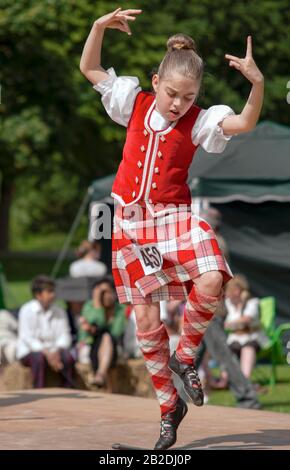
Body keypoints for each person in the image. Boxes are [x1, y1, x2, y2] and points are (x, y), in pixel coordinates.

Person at [80, 7, 264, 449]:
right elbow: (89, 67)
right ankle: (168, 409)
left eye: (189, 95)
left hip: (174, 217)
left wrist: (256, 85)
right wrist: (98, 27)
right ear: (157, 81)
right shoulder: (133, 101)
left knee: (213, 276)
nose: (179, 103)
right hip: (130, 221)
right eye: (173, 94)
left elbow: (243, 122)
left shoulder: (199, 120)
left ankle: (185, 358)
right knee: (145, 317)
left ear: (198, 93)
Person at [17, 275, 75, 388]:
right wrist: (47, 353)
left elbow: (65, 335)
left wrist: (56, 351)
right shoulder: (26, 310)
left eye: (53, 291)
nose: (53, 295)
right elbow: (28, 338)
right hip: (31, 351)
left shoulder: (60, 311)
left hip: (54, 350)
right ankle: (39, 389)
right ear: (38, 295)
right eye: (49, 292)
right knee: (38, 359)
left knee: (68, 358)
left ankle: (68, 387)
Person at [78, 278, 126, 387]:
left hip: (113, 345)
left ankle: (100, 374)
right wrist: (99, 307)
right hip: (91, 345)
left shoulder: (119, 309)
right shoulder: (90, 306)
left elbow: (116, 332)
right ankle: (102, 376)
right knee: (105, 336)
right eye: (101, 293)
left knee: (106, 336)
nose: (105, 296)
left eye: (107, 292)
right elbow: (85, 334)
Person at [224, 274, 268, 380]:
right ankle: (224, 380)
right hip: (234, 337)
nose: (226, 294)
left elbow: (247, 319)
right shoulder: (228, 304)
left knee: (248, 347)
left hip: (252, 336)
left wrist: (230, 324)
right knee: (226, 350)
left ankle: (245, 379)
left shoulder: (251, 302)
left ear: (237, 290)